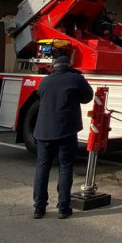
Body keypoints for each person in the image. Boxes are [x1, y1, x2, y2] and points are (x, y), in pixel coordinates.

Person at [32, 54, 93, 218]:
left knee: (42, 168)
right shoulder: (75, 79)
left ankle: (39, 208)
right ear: (69, 64)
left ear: (53, 65)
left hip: (43, 132)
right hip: (66, 131)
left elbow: (40, 95)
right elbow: (88, 97)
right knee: (65, 167)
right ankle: (63, 208)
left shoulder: (45, 80)